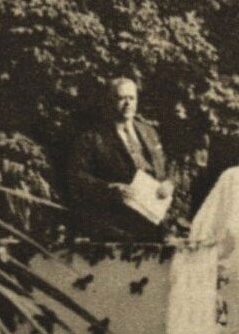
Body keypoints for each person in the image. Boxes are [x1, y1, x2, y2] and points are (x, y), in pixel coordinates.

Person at [67, 77, 171, 241]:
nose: (127, 103)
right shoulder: (92, 136)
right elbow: (76, 177)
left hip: (155, 219)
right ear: (109, 101)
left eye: (132, 98)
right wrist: (110, 189)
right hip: (118, 225)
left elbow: (165, 169)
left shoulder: (149, 132)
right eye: (121, 98)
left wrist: (168, 184)